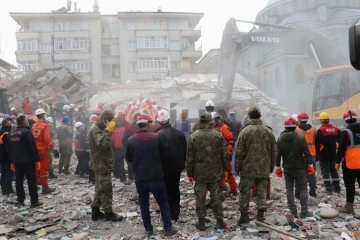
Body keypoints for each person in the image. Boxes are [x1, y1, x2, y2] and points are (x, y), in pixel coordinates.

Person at [125, 113, 177, 237]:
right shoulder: (157, 137)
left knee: (144, 205)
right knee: (163, 203)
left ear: (138, 125)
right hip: (156, 177)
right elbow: (165, 155)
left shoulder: (131, 140)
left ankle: (148, 230)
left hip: (141, 178)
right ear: (148, 124)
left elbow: (128, 158)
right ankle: (168, 229)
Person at [235, 106, 276, 224]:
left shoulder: (245, 131)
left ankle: (244, 216)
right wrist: (271, 166)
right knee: (262, 191)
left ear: (249, 117)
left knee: (244, 191)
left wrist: (237, 167)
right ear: (260, 115)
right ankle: (260, 215)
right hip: (263, 167)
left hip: (247, 168)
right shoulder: (268, 131)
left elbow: (239, 152)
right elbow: (273, 151)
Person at [187, 113, 227, 230]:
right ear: (210, 121)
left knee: (200, 198)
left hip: (199, 174)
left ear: (200, 121)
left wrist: (190, 174)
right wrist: (224, 170)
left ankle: (201, 222)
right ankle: (219, 221)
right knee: (216, 197)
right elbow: (224, 155)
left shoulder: (193, 136)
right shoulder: (218, 135)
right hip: (215, 173)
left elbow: (190, 158)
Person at [275, 116, 314, 219]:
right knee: (303, 189)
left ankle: (293, 212)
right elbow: (307, 153)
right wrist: (310, 165)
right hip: (300, 167)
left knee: (289, 189)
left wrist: (278, 167)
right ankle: (304, 212)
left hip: (287, 168)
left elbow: (278, 155)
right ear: (295, 125)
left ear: (285, 126)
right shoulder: (300, 137)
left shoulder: (279, 139)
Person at [88, 109, 123, 222]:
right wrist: (109, 130)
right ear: (104, 120)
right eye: (110, 121)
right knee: (106, 188)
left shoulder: (99, 127)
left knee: (100, 188)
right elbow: (102, 145)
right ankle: (109, 213)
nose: (111, 123)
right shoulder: (95, 130)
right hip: (101, 164)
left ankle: (95, 210)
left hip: (101, 163)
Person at [156, 109, 187, 222]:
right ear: (168, 119)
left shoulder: (157, 135)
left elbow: (157, 154)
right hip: (177, 167)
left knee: (166, 190)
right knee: (175, 188)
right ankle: (176, 212)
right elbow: (185, 150)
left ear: (159, 121)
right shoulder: (179, 133)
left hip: (164, 168)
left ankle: (169, 213)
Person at [8, 115, 43, 208]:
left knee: (19, 181)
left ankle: (20, 201)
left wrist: (11, 161)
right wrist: (37, 159)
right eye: (26, 120)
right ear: (23, 122)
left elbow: (9, 148)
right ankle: (34, 201)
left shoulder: (11, 133)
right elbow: (32, 147)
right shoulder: (27, 132)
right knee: (31, 181)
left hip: (16, 161)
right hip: (28, 161)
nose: (27, 122)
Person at [336, 110, 360, 214]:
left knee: (350, 186)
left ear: (345, 121)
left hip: (350, 164)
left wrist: (337, 162)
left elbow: (341, 149)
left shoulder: (346, 132)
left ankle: (349, 208)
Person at [315, 112, 341, 194]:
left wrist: (317, 154)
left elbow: (317, 144)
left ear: (321, 120)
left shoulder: (320, 130)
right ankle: (337, 187)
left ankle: (329, 188)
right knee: (333, 170)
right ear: (328, 120)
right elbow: (341, 141)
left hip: (323, 155)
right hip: (333, 154)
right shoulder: (336, 129)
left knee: (325, 171)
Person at [213, 112, 238, 196]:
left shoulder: (224, 127)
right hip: (219, 153)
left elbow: (230, 140)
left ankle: (233, 188)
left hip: (225, 153)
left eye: (214, 120)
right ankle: (223, 186)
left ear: (217, 119)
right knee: (221, 171)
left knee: (228, 171)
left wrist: (229, 153)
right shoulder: (218, 128)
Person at [32, 108, 56, 194]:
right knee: (44, 169)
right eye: (44, 115)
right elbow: (47, 139)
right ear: (42, 115)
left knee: (37, 167)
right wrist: (53, 148)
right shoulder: (45, 125)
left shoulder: (34, 125)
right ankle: (45, 187)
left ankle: (36, 184)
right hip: (43, 150)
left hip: (35, 149)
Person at [294, 112, 317, 198]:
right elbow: (317, 142)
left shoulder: (296, 130)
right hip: (312, 154)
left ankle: (298, 193)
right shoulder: (313, 129)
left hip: (301, 155)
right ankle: (313, 192)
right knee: (312, 174)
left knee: (299, 174)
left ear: (299, 120)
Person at [110, 118, 127, 182]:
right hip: (125, 148)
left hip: (118, 149)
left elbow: (112, 141)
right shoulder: (125, 130)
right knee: (129, 163)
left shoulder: (114, 131)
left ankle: (123, 178)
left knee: (120, 164)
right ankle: (132, 176)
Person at [0, 119, 14, 195]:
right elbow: (8, 146)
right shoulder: (6, 134)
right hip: (6, 156)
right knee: (9, 172)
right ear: (5, 125)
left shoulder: (1, 132)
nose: (11, 125)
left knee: (3, 173)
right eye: (9, 124)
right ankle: (8, 189)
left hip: (1, 156)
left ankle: (4, 190)